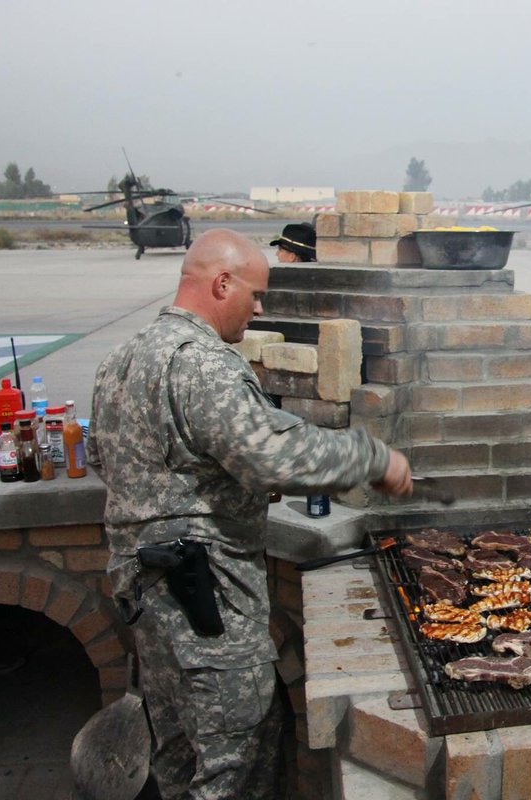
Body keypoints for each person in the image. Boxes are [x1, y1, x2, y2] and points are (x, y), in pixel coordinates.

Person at [87, 228, 412, 799]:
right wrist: (373, 456)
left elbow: (106, 458)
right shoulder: (202, 364)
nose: (258, 308)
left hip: (150, 602)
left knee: (178, 757)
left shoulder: (121, 358)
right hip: (203, 606)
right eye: (255, 294)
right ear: (221, 283)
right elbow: (273, 453)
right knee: (231, 766)